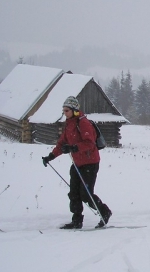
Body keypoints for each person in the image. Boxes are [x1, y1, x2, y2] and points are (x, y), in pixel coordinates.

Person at [42, 96, 112, 229]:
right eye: (63, 110)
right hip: (77, 163)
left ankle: (104, 212)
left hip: (90, 163)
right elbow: (62, 143)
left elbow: (89, 143)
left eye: (67, 110)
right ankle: (77, 221)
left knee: (85, 194)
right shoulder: (69, 124)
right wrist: (50, 156)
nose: (64, 113)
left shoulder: (83, 123)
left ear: (74, 110)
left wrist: (73, 148)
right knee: (74, 193)